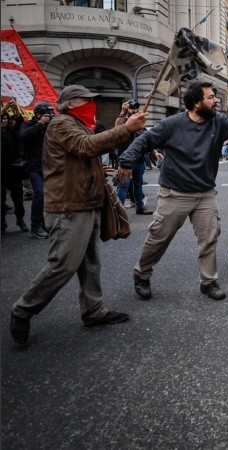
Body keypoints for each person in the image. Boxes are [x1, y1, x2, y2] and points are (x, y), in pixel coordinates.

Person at [118, 81, 228, 301]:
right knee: (159, 238)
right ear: (196, 102)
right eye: (210, 97)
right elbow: (145, 140)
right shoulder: (172, 124)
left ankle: (208, 282)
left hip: (205, 194)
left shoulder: (219, 122)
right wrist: (127, 161)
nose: (215, 100)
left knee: (209, 237)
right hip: (174, 194)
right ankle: (142, 274)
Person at [9, 85, 147, 346]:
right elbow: (86, 146)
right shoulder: (61, 124)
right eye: (87, 100)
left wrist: (98, 168)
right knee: (63, 264)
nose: (92, 104)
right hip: (68, 207)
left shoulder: (79, 123)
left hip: (85, 202)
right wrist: (126, 126)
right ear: (71, 103)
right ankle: (23, 309)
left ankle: (93, 310)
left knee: (90, 263)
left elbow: (88, 150)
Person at [115, 99, 160, 215]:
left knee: (138, 185)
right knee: (124, 186)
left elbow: (147, 139)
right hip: (126, 161)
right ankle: (118, 213)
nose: (134, 110)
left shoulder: (140, 124)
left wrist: (154, 152)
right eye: (131, 108)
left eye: (135, 108)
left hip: (139, 160)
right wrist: (123, 112)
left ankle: (140, 207)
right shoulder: (124, 122)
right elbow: (117, 128)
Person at [19, 101, 56, 239]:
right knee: (39, 193)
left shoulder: (51, 125)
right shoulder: (28, 124)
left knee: (48, 196)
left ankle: (44, 222)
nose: (50, 115)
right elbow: (23, 135)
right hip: (33, 166)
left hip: (48, 166)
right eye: (47, 113)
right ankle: (35, 226)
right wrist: (40, 124)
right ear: (39, 114)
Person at [1, 102, 27, 235]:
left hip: (13, 171)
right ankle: (2, 223)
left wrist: (15, 109)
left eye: (6, 118)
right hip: (1, 171)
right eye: (2, 118)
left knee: (18, 198)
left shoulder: (12, 131)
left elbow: (20, 121)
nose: (4, 121)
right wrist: (4, 109)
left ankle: (20, 220)